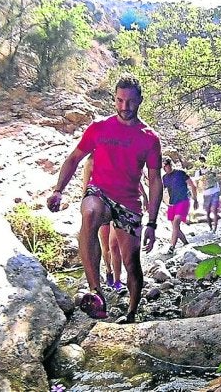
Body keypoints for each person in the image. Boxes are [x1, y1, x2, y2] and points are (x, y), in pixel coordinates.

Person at [47, 73, 162, 323]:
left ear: (140, 100)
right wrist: (58, 190)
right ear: (114, 99)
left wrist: (152, 223)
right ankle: (96, 291)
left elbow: (155, 181)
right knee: (89, 213)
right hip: (100, 191)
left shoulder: (149, 138)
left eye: (130, 101)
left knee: (132, 263)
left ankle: (131, 312)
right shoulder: (99, 128)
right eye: (120, 101)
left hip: (129, 203)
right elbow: (74, 158)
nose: (125, 107)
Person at [82, 155, 148, 293]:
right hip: (100, 206)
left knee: (113, 245)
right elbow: (86, 185)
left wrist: (144, 196)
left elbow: (132, 177)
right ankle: (108, 271)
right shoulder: (90, 161)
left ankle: (118, 280)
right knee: (105, 246)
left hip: (118, 206)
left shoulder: (118, 156)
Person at [162, 157, 198, 253]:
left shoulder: (180, 173)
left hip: (183, 201)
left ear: (170, 164)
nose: (166, 167)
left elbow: (193, 185)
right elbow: (163, 191)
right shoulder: (164, 178)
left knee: (176, 223)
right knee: (175, 227)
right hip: (172, 204)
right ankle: (186, 243)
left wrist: (195, 199)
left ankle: (171, 247)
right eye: (164, 166)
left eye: (167, 165)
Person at [195, 155, 221, 232]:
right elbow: (197, 184)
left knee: (214, 210)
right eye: (200, 161)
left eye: (202, 161)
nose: (202, 163)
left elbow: (219, 175)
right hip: (206, 194)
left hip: (215, 191)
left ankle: (215, 229)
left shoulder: (211, 169)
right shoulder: (198, 172)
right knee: (208, 212)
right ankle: (210, 228)